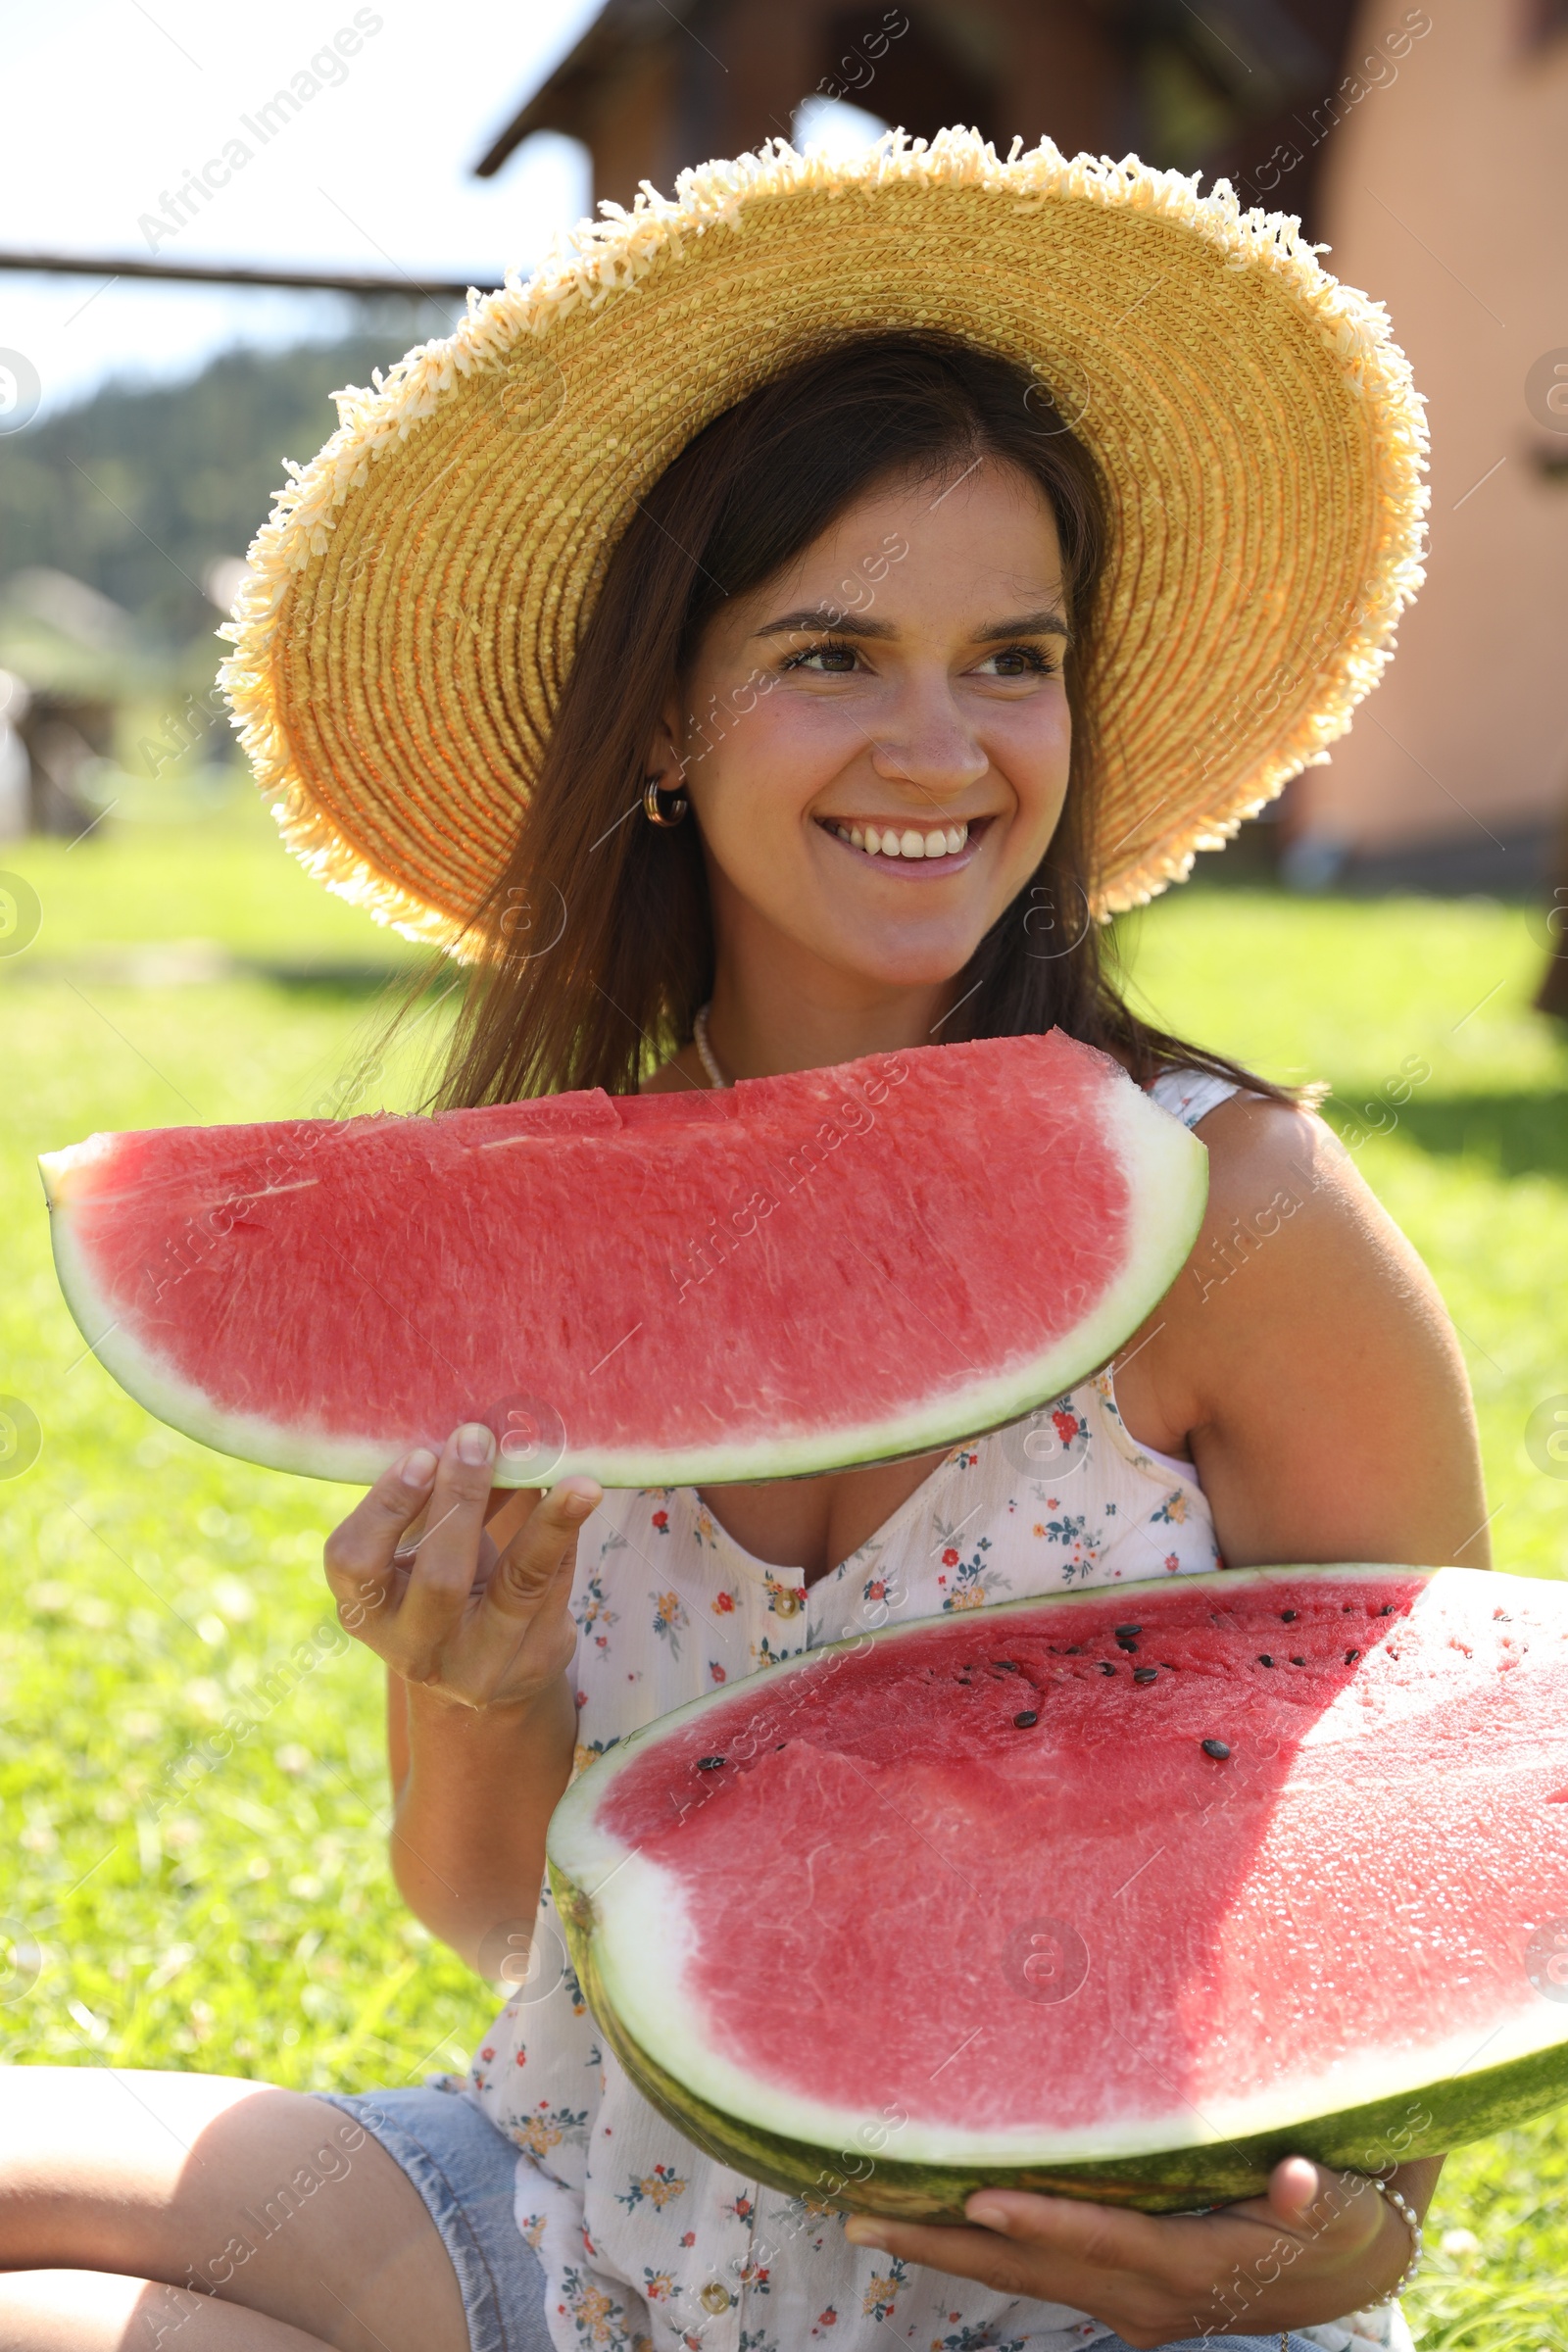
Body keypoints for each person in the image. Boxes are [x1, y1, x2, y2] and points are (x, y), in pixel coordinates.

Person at [0, 131, 1479, 2352]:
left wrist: (1337, 2246)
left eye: (1010, 656)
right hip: (597, 2212)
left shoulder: (1237, 1220)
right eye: (828, 653)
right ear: (672, 724)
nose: (939, 745)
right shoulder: (534, 1213)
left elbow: (1438, 1868)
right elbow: (488, 1902)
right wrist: (477, 1688)